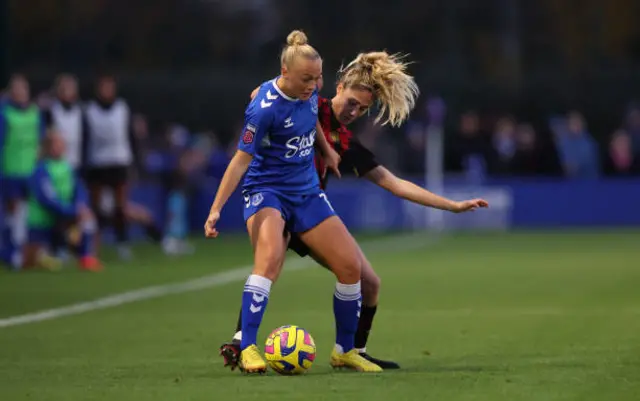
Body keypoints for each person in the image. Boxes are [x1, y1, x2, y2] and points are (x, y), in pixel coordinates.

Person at [219, 52, 489, 370]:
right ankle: (242, 341)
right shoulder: (308, 99)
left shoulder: (344, 140)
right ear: (340, 85)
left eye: (362, 109)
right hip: (271, 195)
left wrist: (452, 206)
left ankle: (352, 351)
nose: (354, 111)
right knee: (270, 262)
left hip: (309, 206)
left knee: (369, 281)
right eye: (352, 103)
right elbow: (260, 94)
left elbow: (394, 183)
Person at [204, 30, 385, 374]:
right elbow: (240, 160)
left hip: (306, 191)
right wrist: (216, 209)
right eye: (307, 79)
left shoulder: (308, 92)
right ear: (284, 73)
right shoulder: (262, 110)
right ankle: (247, 347)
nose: (314, 86)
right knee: (270, 259)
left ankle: (344, 351)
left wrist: (326, 149)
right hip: (267, 191)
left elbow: (310, 116)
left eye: (318, 78)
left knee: (351, 268)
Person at [23, 131, 102, 271]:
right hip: (42, 222)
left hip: (62, 219)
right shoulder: (41, 170)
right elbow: (47, 199)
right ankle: (54, 253)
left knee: (88, 218)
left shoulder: (68, 167)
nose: (59, 147)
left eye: (61, 144)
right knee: (30, 262)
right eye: (56, 144)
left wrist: (80, 206)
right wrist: (71, 211)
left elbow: (79, 190)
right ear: (47, 147)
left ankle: (85, 257)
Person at [82, 75, 139, 260]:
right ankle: (93, 245)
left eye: (110, 87)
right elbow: (85, 138)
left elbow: (131, 136)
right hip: (97, 163)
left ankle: (122, 243)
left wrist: (135, 162)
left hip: (119, 161)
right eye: (103, 87)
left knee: (120, 207)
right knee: (96, 208)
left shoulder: (122, 108)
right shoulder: (89, 110)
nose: (107, 91)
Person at [0, 74, 47, 270]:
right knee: (13, 212)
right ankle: (11, 252)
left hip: (31, 170)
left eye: (23, 88)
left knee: (27, 213)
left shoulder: (36, 113)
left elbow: (42, 140)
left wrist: (40, 163)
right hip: (10, 169)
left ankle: (23, 250)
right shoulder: (4, 114)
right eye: (16, 88)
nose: (19, 92)